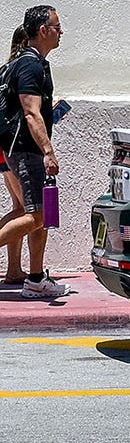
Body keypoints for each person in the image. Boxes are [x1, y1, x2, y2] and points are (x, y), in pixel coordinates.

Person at [0, 6, 68, 298]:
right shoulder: (30, 64)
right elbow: (30, 113)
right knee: (36, 216)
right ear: (43, 30)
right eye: (57, 26)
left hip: (22, 149)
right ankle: (31, 277)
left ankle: (36, 278)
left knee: (37, 212)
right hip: (27, 149)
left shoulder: (27, 62)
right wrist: (48, 150)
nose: (61, 32)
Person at [1, 27, 28, 285]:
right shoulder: (23, 70)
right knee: (30, 212)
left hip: (4, 149)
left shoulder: (5, 70)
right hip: (15, 148)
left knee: (20, 209)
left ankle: (14, 270)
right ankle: (18, 270)